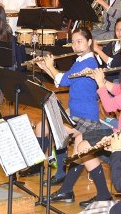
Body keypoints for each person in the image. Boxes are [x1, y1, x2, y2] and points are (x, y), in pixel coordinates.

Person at [50, 35, 121, 206]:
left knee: (84, 147)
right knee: (79, 139)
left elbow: (111, 106)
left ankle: (100, 194)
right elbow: (118, 90)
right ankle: (70, 190)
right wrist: (101, 79)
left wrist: (100, 85)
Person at [31, 27, 99, 183]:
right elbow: (63, 80)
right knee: (41, 126)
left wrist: (51, 66)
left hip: (86, 117)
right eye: (73, 42)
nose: (75, 46)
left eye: (79, 42)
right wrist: (46, 67)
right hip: (74, 112)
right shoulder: (79, 61)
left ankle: (60, 173)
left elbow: (63, 81)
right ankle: (37, 165)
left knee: (58, 132)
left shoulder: (89, 63)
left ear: (89, 42)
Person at [92, 17, 121, 82]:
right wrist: (96, 53)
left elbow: (114, 65)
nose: (120, 32)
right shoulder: (111, 44)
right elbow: (102, 64)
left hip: (120, 80)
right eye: (117, 29)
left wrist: (98, 51)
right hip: (107, 79)